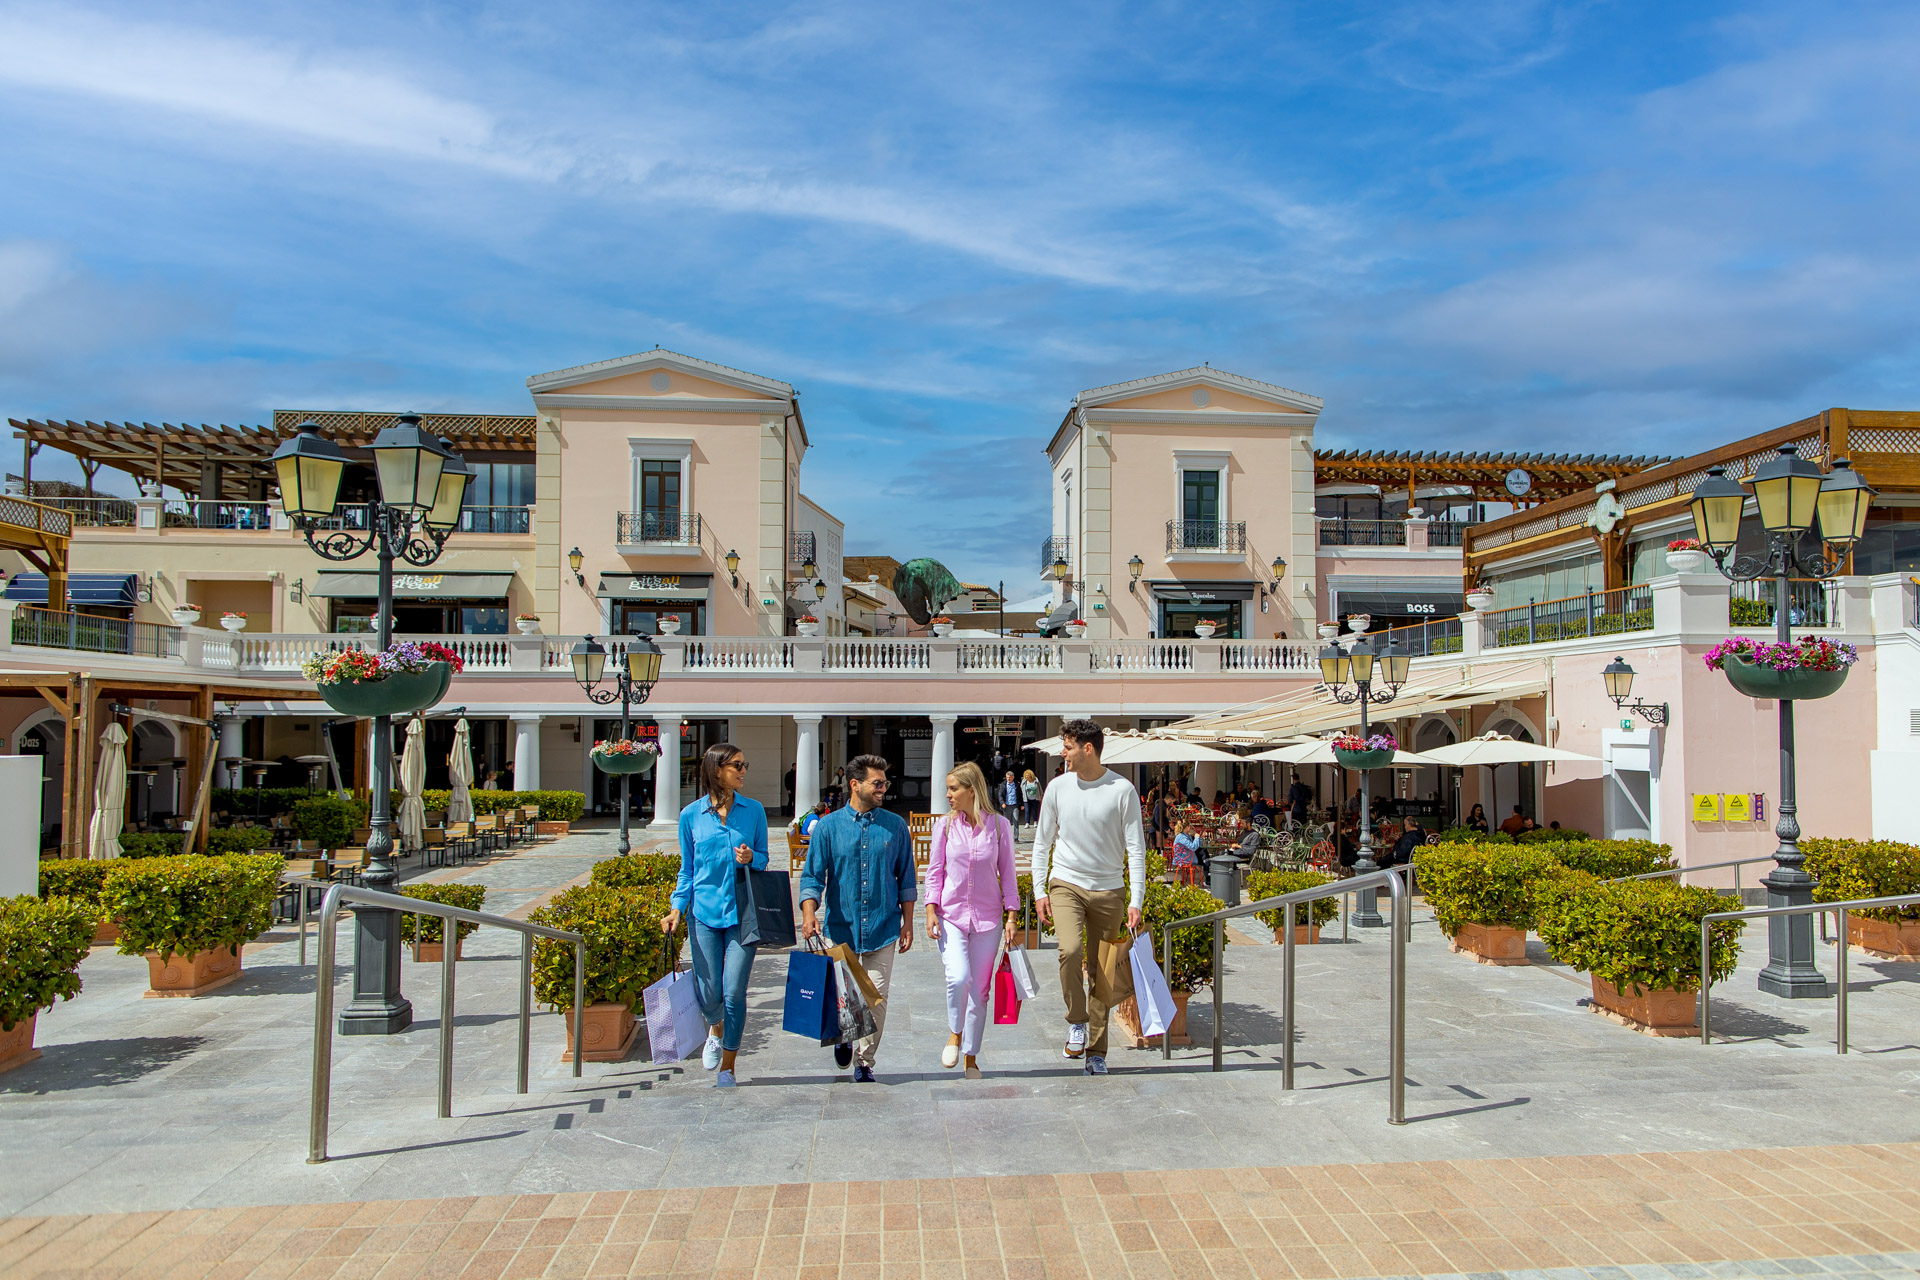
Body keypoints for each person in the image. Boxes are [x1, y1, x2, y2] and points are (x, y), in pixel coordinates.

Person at [1033, 719, 1146, 1077]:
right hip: (1066, 883)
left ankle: (1096, 1051)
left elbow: (1136, 849)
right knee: (1069, 951)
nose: (1062, 753)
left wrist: (1137, 898)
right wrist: (1039, 890)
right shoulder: (1057, 787)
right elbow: (1042, 843)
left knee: (1103, 972)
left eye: (1068, 747)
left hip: (1110, 890)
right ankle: (1077, 1021)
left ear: (1088, 748)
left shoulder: (1122, 790)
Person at [799, 754, 917, 1082]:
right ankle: (845, 1036)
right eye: (876, 783)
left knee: (876, 997)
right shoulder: (827, 828)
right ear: (855, 784)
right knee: (845, 997)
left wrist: (908, 922)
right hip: (841, 928)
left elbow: (906, 878)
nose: (883, 789)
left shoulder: (895, 827)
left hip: (883, 926)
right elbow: (812, 876)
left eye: (885, 783)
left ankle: (864, 1061)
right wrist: (809, 913)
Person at [661, 743, 768, 1089]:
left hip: (744, 915)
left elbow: (764, 858)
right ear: (717, 770)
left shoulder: (754, 811)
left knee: (734, 993)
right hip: (703, 915)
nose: (743, 771)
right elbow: (687, 870)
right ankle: (715, 1027)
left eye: (744, 764)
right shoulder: (690, 816)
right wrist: (676, 908)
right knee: (709, 994)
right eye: (737, 765)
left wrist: (752, 857)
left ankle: (729, 1067)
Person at [924, 762, 1020, 1080]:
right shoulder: (945, 827)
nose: (948, 795)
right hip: (950, 915)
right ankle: (955, 1033)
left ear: (971, 790)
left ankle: (971, 1056)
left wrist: (1012, 916)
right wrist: (930, 909)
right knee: (958, 977)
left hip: (988, 919)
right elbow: (934, 872)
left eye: (953, 789)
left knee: (980, 990)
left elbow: (1008, 873)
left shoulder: (1000, 827)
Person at [998, 770, 1023, 837]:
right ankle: (1007, 836)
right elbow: (1000, 795)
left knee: (1016, 820)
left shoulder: (1017, 784)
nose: (1008, 779)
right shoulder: (1003, 785)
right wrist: (1002, 803)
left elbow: (1020, 795)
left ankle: (1016, 837)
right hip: (1007, 805)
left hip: (1015, 805)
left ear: (1013, 777)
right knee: (1007, 822)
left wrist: (1022, 804)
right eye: (1007, 777)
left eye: (1010, 777)